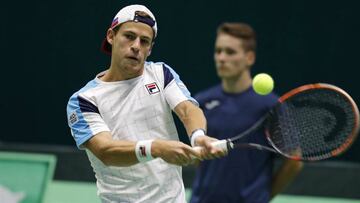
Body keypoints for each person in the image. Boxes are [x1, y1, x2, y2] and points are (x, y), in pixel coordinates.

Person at [66, 4, 225, 203]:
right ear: (111, 36)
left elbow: (188, 109)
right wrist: (156, 148)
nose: (136, 46)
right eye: (129, 36)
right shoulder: (84, 100)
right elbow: (106, 151)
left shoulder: (161, 74)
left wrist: (199, 136)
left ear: (150, 49)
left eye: (144, 41)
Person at [190, 22, 303, 203]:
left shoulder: (271, 105)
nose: (221, 58)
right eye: (218, 51)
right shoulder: (202, 101)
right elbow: (197, 156)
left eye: (230, 52)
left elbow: (294, 161)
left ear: (249, 58)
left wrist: (264, 196)